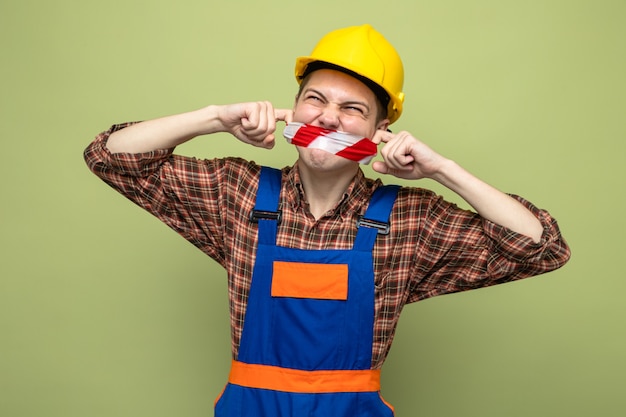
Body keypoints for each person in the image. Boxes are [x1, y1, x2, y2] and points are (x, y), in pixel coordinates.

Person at [84, 24, 570, 417]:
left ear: (381, 131)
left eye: (352, 109)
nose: (329, 118)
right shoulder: (239, 194)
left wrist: (442, 170)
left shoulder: (410, 222)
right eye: (315, 100)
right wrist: (216, 117)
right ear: (294, 110)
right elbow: (109, 158)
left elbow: (543, 247)